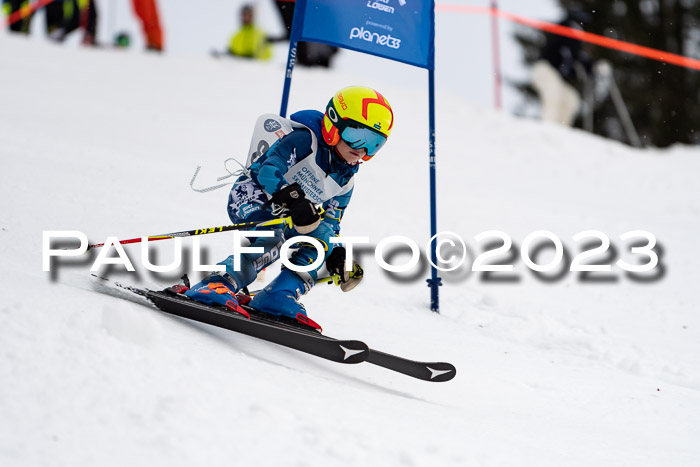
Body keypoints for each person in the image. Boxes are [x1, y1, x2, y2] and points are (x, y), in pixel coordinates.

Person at [183, 86, 394, 325]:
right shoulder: (306, 140)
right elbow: (269, 170)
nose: (362, 151)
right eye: (358, 137)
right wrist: (294, 200)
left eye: (375, 144)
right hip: (252, 196)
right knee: (274, 237)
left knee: (321, 241)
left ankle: (278, 295)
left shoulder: (346, 181)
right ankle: (218, 282)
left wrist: (336, 255)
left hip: (291, 214)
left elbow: (331, 223)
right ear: (333, 124)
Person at [531, 12, 593, 126]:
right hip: (544, 70)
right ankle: (547, 126)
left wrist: (591, 68)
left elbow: (575, 62)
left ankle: (561, 131)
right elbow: (572, 55)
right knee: (554, 95)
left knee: (571, 100)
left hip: (555, 75)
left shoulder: (572, 45)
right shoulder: (564, 32)